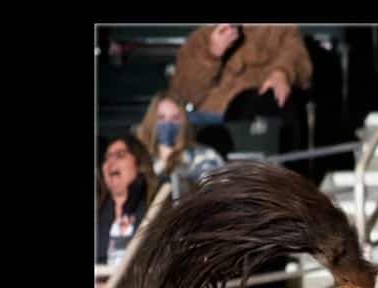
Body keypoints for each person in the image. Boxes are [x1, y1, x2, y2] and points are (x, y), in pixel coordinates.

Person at [169, 24, 312, 164]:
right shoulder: (202, 38)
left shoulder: (280, 30)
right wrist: (210, 54)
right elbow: (183, 93)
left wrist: (283, 73)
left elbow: (297, 56)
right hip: (212, 121)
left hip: (259, 120)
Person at [134, 92, 225, 191]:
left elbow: (215, 190)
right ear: (151, 121)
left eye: (175, 118)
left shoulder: (204, 156)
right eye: (161, 118)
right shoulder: (136, 157)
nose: (168, 124)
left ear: (184, 122)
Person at [96, 135, 158, 268]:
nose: (110, 162)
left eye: (120, 155)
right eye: (107, 157)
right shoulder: (98, 213)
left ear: (139, 163)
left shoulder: (157, 207)